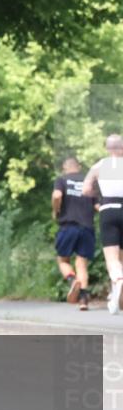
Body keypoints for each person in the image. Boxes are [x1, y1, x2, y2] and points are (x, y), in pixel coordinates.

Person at [83, 134, 123, 314]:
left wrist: (98, 198)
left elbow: (85, 190)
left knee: (112, 258)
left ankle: (117, 278)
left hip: (108, 209)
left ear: (108, 148)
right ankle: (117, 295)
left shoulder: (99, 166)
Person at [53, 157, 98, 311]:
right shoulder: (88, 182)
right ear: (78, 167)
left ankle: (72, 280)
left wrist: (56, 210)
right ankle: (83, 300)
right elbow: (98, 206)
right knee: (82, 264)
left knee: (62, 260)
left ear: (64, 168)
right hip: (87, 227)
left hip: (68, 226)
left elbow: (57, 196)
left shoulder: (61, 180)